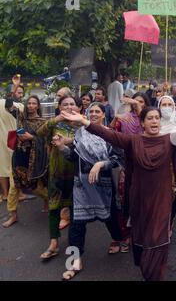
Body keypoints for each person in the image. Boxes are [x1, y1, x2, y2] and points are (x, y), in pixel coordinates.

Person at [61, 106, 176, 281]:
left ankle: (155, 276)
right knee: (142, 240)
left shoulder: (170, 139)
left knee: (158, 240)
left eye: (157, 118)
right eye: (150, 118)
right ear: (142, 122)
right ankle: (148, 272)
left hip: (162, 199)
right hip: (139, 200)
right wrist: (84, 121)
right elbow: (109, 135)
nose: (154, 121)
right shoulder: (133, 141)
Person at [56, 103, 125, 280]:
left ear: (103, 115)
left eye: (97, 112)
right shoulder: (80, 133)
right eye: (91, 111)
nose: (93, 114)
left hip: (103, 185)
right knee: (77, 222)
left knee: (109, 216)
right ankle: (75, 260)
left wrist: (101, 164)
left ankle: (118, 239)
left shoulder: (109, 135)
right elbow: (74, 156)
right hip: (82, 185)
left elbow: (118, 159)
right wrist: (62, 147)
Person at [36, 95, 82, 260]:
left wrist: (69, 141)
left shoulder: (82, 125)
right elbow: (39, 133)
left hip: (77, 175)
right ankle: (54, 243)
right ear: (60, 107)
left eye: (72, 104)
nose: (69, 107)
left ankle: (74, 244)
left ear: (78, 108)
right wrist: (57, 118)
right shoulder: (55, 124)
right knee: (54, 208)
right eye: (65, 105)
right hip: (56, 173)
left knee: (75, 210)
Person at [2, 96, 49, 228]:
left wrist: (32, 137)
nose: (31, 105)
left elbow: (45, 141)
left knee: (38, 187)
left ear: (38, 106)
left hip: (34, 160)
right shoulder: (21, 117)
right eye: (29, 103)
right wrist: (14, 88)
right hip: (18, 156)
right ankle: (13, 216)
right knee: (14, 187)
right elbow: (8, 106)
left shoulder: (43, 122)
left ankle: (48, 201)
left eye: (34, 103)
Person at [0, 95, 24, 203]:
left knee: (3, 167)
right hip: (13, 139)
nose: (20, 94)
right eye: (19, 92)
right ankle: (19, 193)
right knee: (15, 166)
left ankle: (5, 194)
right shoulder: (19, 105)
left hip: (4, 139)